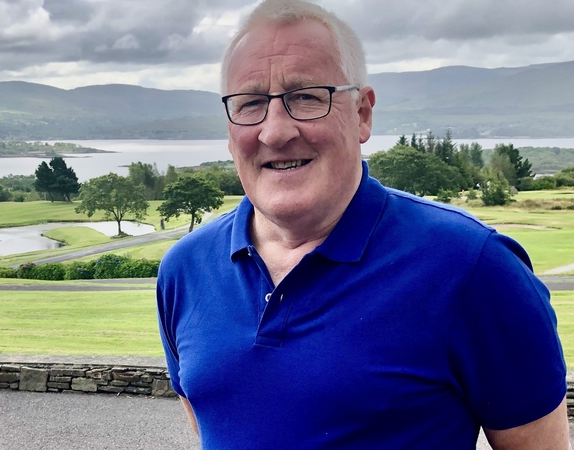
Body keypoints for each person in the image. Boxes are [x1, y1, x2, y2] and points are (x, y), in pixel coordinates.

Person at [155, 0, 569, 448]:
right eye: (251, 103)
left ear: (362, 114)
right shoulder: (185, 269)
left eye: (306, 97)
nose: (275, 132)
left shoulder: (474, 267)